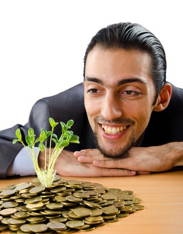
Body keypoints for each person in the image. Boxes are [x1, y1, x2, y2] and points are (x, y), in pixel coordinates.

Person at [0, 22, 183, 179]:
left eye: (129, 92)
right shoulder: (54, 115)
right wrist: (47, 158)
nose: (109, 112)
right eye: (94, 90)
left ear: (162, 97)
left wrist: (174, 153)